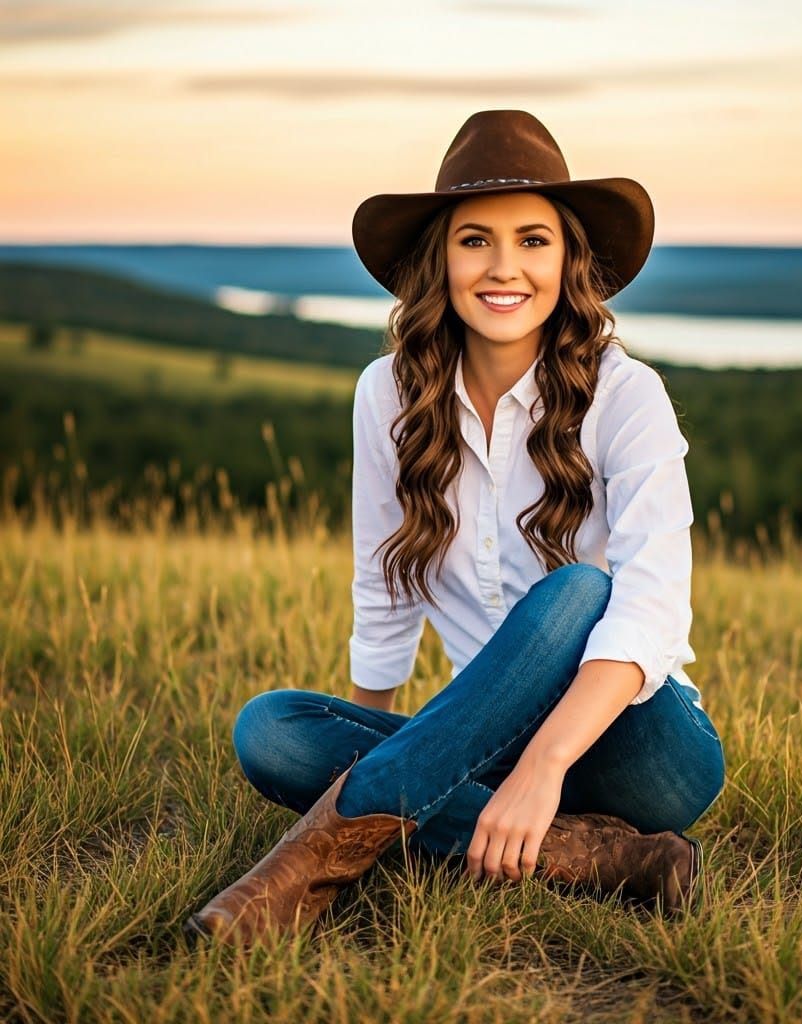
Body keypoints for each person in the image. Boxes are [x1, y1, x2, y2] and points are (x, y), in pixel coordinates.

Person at [184, 109, 726, 947]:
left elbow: (653, 606)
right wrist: (373, 738)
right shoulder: (387, 394)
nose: (504, 267)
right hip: (487, 742)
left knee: (581, 589)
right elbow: (382, 582)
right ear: (440, 258)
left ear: (569, 258)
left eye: (533, 241)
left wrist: (547, 763)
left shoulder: (628, 396)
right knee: (271, 731)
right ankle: (606, 860)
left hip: (639, 745)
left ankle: (308, 866)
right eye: (475, 240)